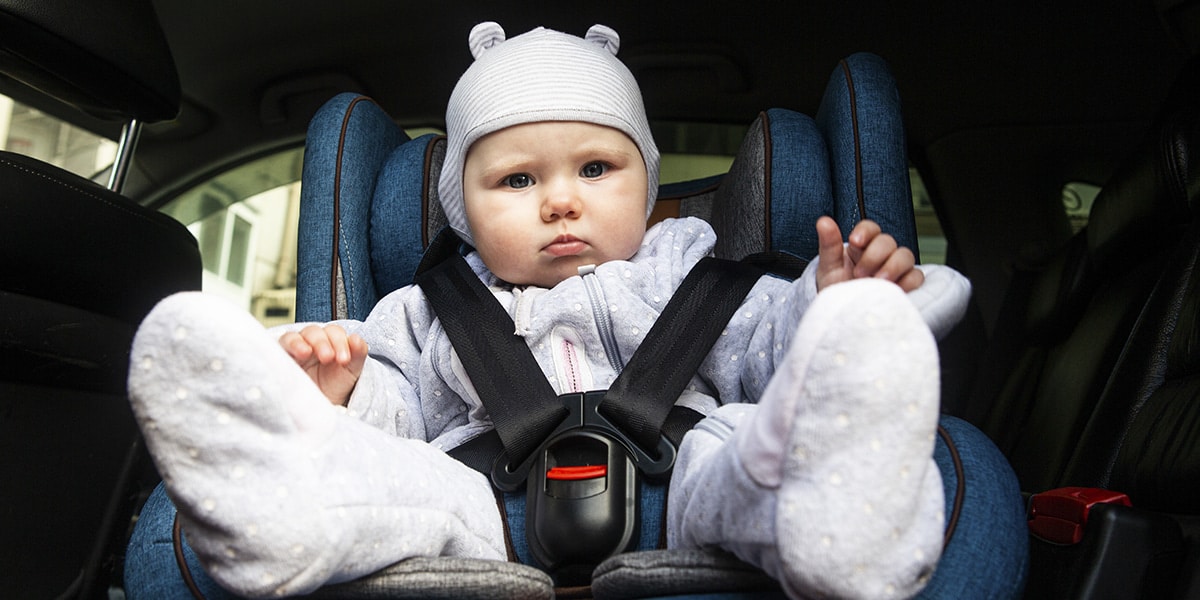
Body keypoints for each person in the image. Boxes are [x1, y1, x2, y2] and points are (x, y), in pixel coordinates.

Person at [124, 22, 1025, 600]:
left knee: (744, 438)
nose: (560, 201)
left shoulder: (700, 270)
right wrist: (339, 390)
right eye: (515, 180)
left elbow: (769, 350)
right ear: (462, 204)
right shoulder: (425, 305)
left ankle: (831, 504)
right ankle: (290, 508)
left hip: (688, 485)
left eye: (597, 169)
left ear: (646, 183)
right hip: (480, 507)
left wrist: (832, 308)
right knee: (407, 480)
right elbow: (398, 410)